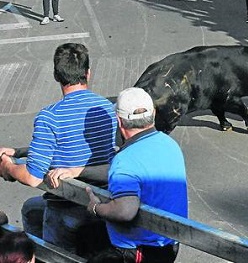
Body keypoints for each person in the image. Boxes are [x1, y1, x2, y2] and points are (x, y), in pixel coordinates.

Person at [0, 43, 117, 253]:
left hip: (65, 207)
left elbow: (32, 177)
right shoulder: (106, 108)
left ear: (56, 75)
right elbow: (72, 144)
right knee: (30, 208)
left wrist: (8, 167)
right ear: (87, 73)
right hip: (102, 202)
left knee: (40, 224)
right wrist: (19, 152)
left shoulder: (50, 116)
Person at [73, 87, 188, 263]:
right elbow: (133, 173)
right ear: (154, 113)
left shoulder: (125, 159)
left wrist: (96, 208)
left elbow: (125, 211)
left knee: (82, 237)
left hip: (139, 250)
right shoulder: (168, 145)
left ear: (119, 121)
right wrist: (79, 171)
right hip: (169, 243)